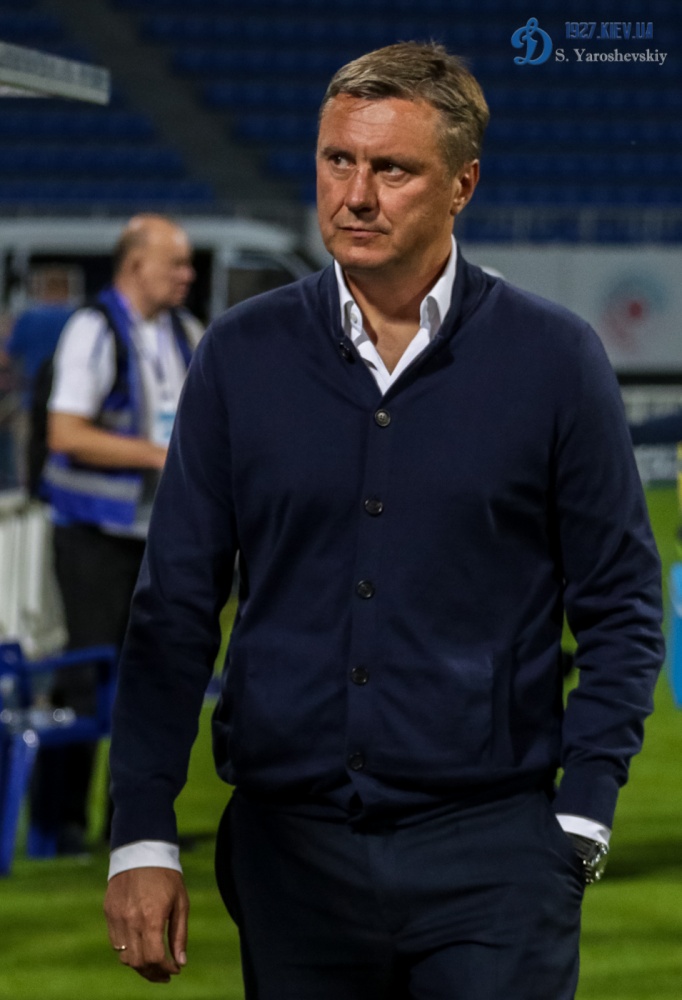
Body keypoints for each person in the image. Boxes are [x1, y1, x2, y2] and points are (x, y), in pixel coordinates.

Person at [104, 44, 664, 999]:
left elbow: (622, 604)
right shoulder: (240, 355)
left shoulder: (555, 359)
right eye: (338, 160)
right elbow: (174, 610)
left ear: (462, 185)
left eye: (392, 169)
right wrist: (143, 831)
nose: (355, 196)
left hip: (495, 856)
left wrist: (582, 815)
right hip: (290, 857)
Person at [30, 213, 201, 856]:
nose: (188, 275)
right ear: (135, 265)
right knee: (85, 676)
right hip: (92, 533)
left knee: (151, 682)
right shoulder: (93, 330)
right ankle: (58, 824)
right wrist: (158, 456)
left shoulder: (185, 332)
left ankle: (128, 824)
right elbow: (65, 433)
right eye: (175, 263)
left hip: (154, 534)